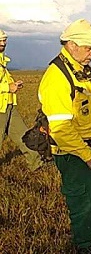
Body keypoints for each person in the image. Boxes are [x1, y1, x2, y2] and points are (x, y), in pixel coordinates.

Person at [38, 19, 91, 254]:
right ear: (71, 45)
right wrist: (87, 156)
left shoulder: (82, 71)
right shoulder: (57, 77)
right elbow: (61, 129)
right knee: (83, 199)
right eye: (89, 48)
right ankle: (84, 247)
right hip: (72, 152)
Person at [0, 29, 44, 171]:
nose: (3, 43)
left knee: (23, 135)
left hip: (9, 105)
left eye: (4, 40)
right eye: (0, 41)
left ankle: (36, 164)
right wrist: (8, 87)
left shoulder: (2, 59)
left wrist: (13, 85)